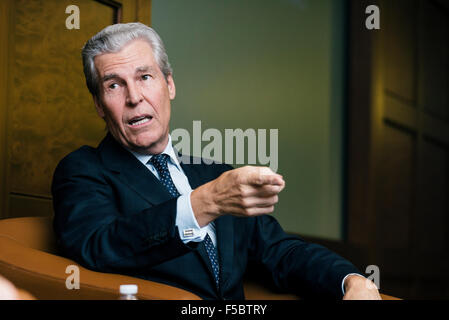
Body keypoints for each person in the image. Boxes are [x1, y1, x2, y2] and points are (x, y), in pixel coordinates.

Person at [52, 22, 380, 300]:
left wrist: (349, 280)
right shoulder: (83, 170)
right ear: (98, 104)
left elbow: (281, 253)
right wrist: (206, 202)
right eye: (114, 85)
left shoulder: (216, 174)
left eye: (145, 77)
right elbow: (98, 246)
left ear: (169, 84)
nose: (134, 97)